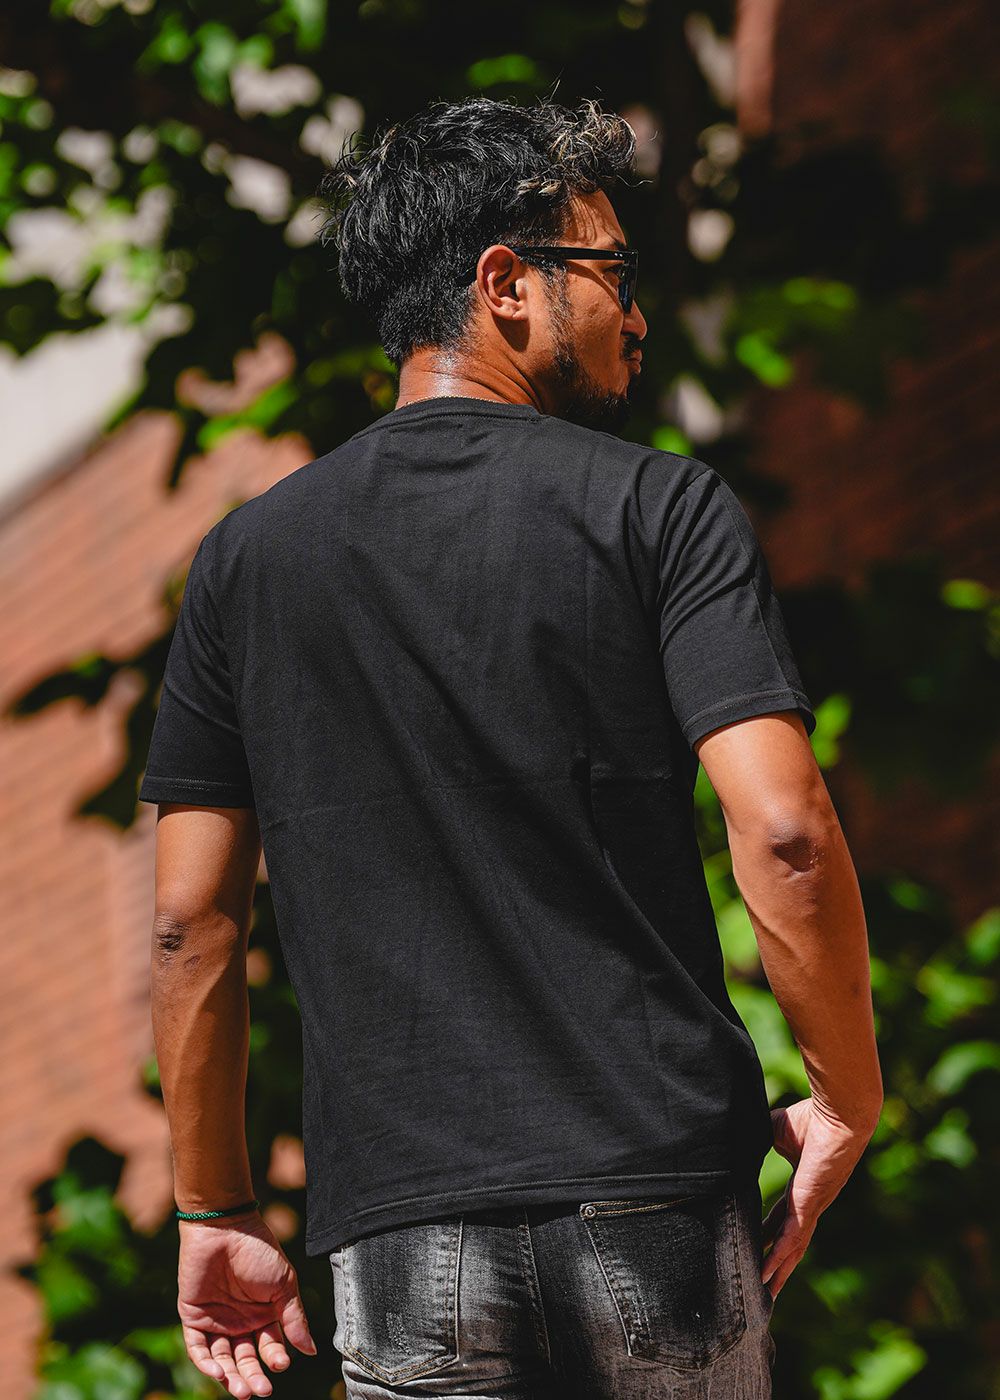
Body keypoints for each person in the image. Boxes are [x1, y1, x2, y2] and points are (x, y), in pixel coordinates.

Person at [140, 95, 883, 1399]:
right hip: (655, 1191)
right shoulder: (658, 507)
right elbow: (783, 831)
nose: (637, 317)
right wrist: (847, 1096)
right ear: (506, 284)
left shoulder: (245, 566)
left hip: (403, 1232)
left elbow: (190, 924)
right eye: (615, 274)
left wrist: (213, 1205)